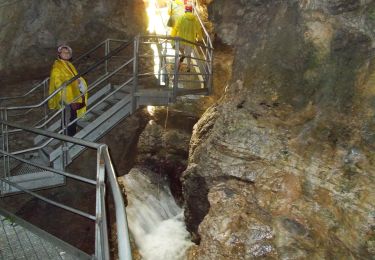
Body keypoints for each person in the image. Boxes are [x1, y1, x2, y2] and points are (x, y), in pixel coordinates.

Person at [48, 45, 88, 136]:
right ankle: (67, 137)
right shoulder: (57, 66)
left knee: (72, 116)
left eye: (68, 52)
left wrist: (79, 82)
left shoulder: (69, 65)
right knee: (68, 117)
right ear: (59, 54)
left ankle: (70, 135)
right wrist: (65, 93)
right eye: (64, 52)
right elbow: (57, 81)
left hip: (72, 95)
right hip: (65, 95)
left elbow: (74, 77)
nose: (66, 54)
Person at [171, 4, 202, 72]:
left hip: (181, 39)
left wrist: (172, 37)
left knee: (178, 50)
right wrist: (200, 39)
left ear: (185, 10)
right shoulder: (195, 20)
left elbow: (175, 28)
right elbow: (199, 30)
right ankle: (188, 67)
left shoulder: (181, 18)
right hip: (190, 41)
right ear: (191, 11)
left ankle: (180, 60)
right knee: (188, 54)